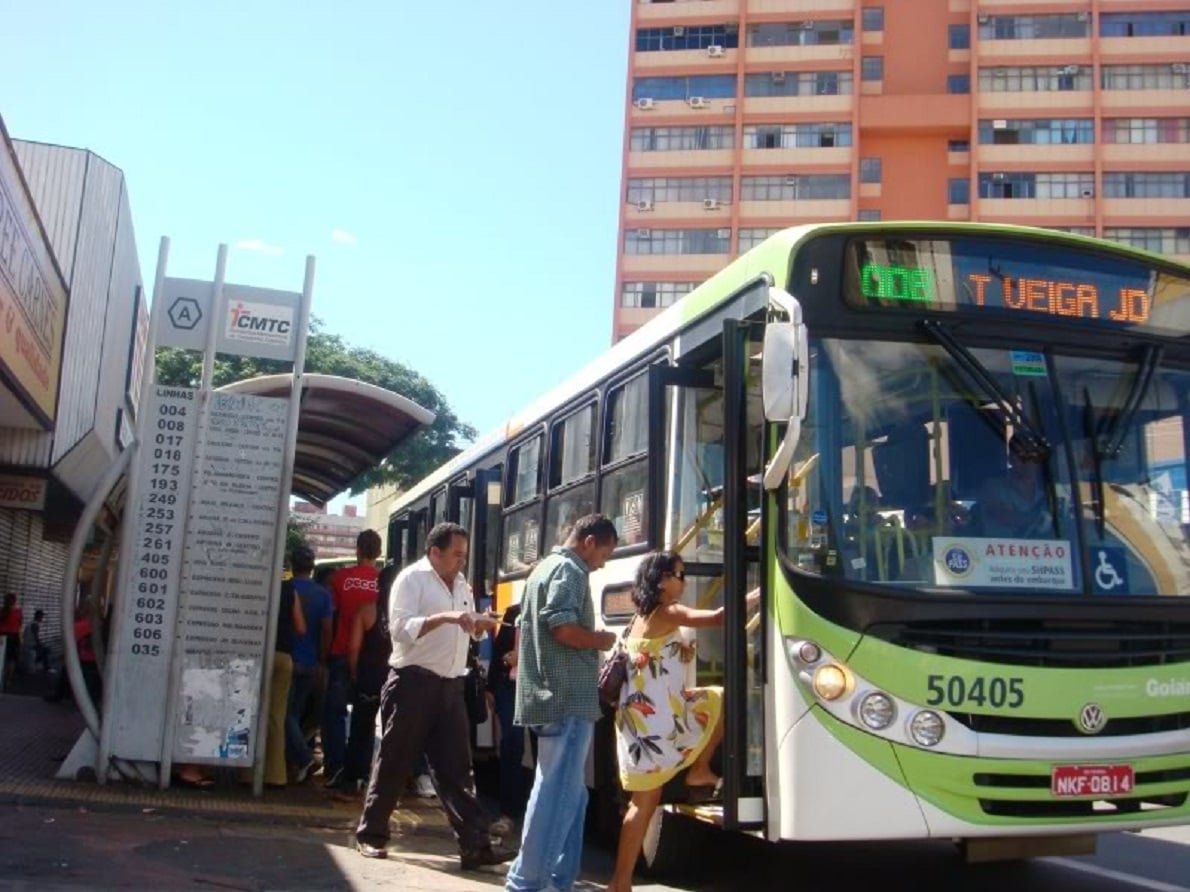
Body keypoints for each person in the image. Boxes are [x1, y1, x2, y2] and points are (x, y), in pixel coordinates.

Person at [355, 523, 514, 870]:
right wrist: (446, 617)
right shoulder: (411, 580)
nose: (461, 562)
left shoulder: (462, 584)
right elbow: (400, 630)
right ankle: (371, 835)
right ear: (434, 552)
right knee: (395, 761)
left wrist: (478, 624)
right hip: (412, 682)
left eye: (464, 556)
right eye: (456, 555)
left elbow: (465, 631)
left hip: (450, 686)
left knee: (457, 770)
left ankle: (475, 846)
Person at [606, 551, 759, 892]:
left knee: (641, 804)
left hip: (642, 721)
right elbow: (718, 617)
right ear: (662, 581)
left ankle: (620, 882)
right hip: (656, 723)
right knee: (642, 806)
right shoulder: (668, 611)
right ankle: (619, 883)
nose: (684, 582)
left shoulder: (640, 616)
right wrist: (759, 592)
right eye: (679, 575)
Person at [505, 515, 619, 892]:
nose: (603, 563)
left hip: (547, 696)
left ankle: (558, 878)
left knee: (572, 795)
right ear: (589, 541)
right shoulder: (570, 570)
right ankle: (530, 882)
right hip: (566, 697)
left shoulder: (543, 568)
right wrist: (599, 640)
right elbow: (562, 627)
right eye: (605, 553)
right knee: (558, 795)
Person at [323, 531, 382, 788]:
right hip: (371, 660)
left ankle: (336, 766)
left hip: (340, 652)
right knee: (365, 719)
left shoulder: (339, 578)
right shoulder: (382, 582)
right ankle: (360, 773)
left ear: (357, 549)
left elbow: (331, 616)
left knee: (334, 713)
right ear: (378, 552)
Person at [339, 562, 398, 795]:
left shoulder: (366, 610)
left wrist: (355, 673)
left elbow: (354, 648)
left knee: (361, 729)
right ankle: (387, 783)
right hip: (394, 677)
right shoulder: (404, 615)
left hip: (368, 676)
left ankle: (355, 778)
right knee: (394, 732)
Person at [285, 546, 333, 783]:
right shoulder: (322, 594)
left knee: (286, 715)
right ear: (312, 567)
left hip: (287, 659)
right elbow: (327, 630)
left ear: (291, 565)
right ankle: (296, 760)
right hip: (311, 661)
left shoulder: (286, 588)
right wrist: (323, 659)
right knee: (299, 713)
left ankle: (303, 758)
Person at [487, 600, 531, 831]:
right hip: (510, 687)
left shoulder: (554, 609)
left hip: (539, 687)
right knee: (512, 745)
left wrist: (523, 658)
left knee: (543, 750)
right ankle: (508, 813)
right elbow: (499, 651)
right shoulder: (514, 612)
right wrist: (490, 687)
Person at [264, 571, 306, 788]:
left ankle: (248, 772)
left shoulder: (257, 581)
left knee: (252, 713)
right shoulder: (289, 588)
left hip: (260, 653)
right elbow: (301, 627)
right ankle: (276, 775)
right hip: (284, 656)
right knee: (277, 716)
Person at [1, 594, 23, 689]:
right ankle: (8, 680)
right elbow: (20, 625)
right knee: (12, 660)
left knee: (2, 658)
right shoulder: (18, 612)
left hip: (2, 635)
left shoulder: (2, 611)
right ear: (14, 601)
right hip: (14, 636)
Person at [24, 608, 49, 674]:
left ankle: (38, 665)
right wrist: (41, 645)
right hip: (30, 645)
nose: (42, 618)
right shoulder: (35, 624)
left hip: (27, 644)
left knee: (43, 648)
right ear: (39, 616)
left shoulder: (30, 623)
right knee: (46, 650)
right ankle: (46, 668)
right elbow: (36, 637)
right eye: (42, 616)